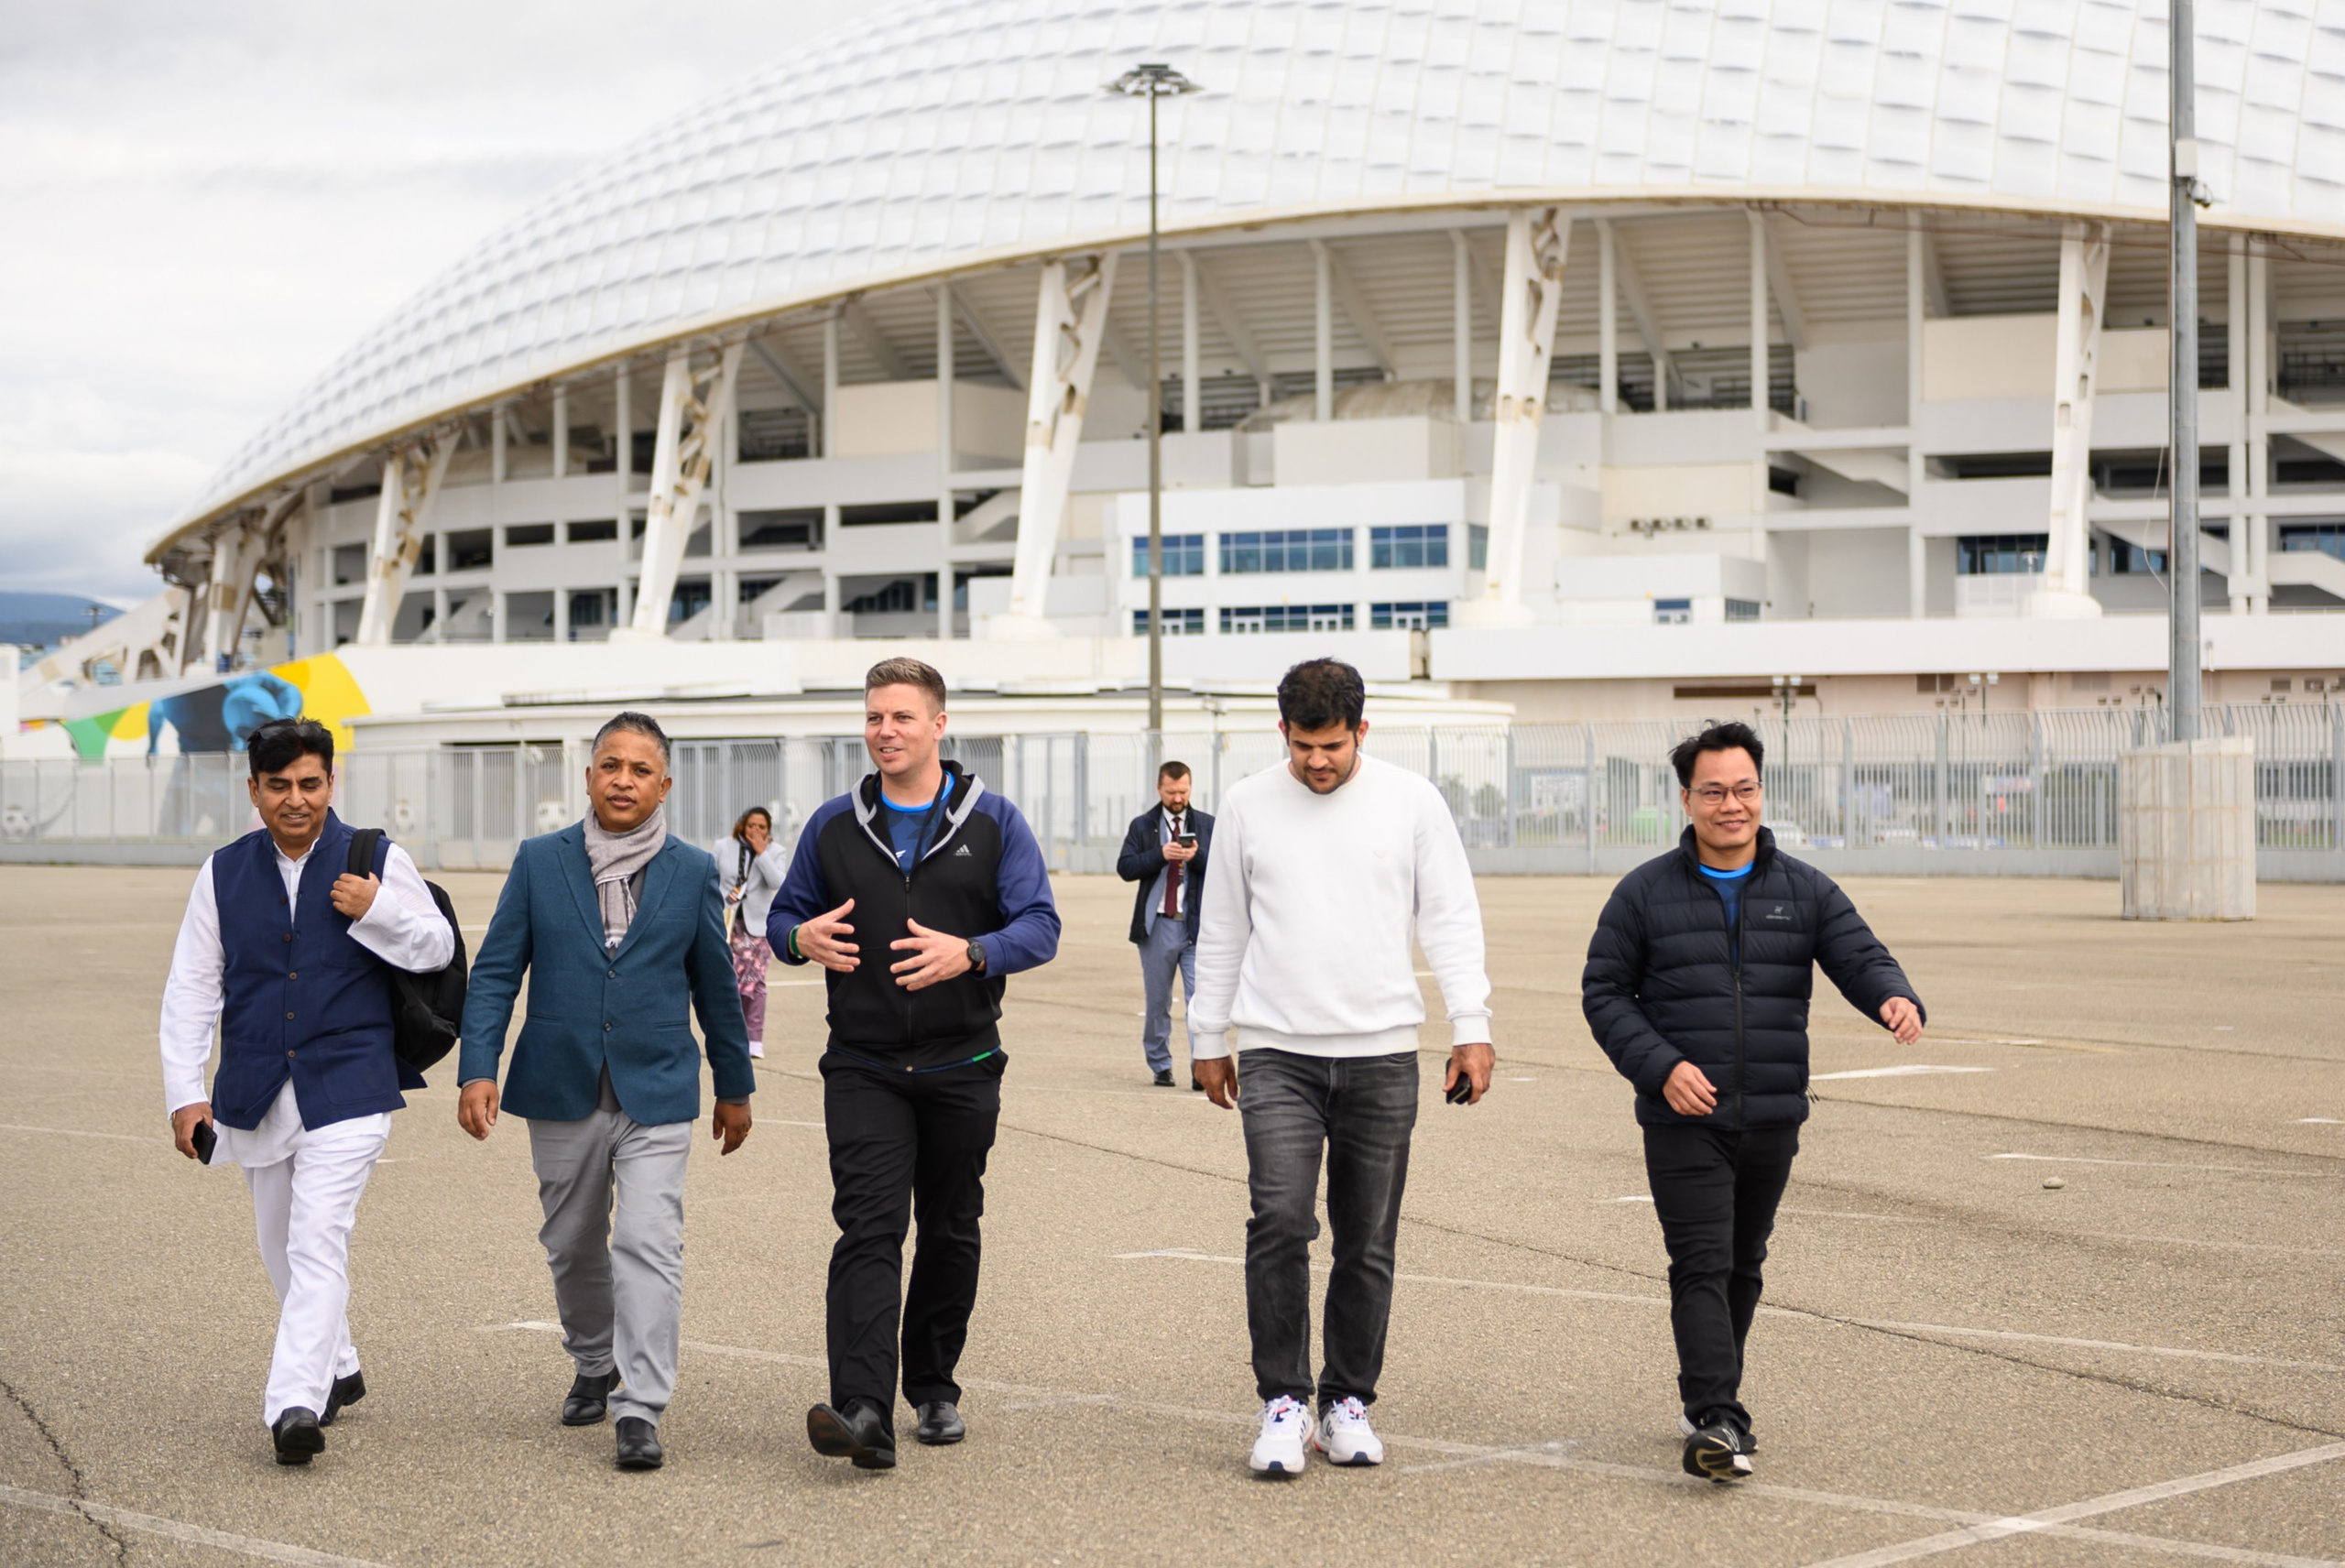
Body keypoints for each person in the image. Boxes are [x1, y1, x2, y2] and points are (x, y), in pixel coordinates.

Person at [1581, 721, 1925, 1484]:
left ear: (1761, 793)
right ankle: (1718, 1415)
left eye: (1743, 789)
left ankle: (1707, 1401)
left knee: (1743, 1262)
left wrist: (1893, 996)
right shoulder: (1644, 893)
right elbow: (1603, 993)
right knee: (1700, 1261)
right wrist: (1661, 1068)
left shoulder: (1803, 889)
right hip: (1683, 1116)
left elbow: (1859, 955)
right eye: (1714, 792)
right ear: (1687, 799)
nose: (1730, 805)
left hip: (1771, 1113)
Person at [1189, 659, 1495, 1478]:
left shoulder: (1412, 801)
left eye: (1331, 745)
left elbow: (1451, 918)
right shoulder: (1248, 804)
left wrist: (1471, 1025)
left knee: (1367, 1238)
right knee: (1280, 1222)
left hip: (1383, 1054)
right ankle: (1283, 1402)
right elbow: (1222, 927)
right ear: (1281, 732)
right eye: (1301, 745)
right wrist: (1207, 1034)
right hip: (1278, 1052)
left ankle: (1347, 1400)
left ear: (1362, 730)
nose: (1316, 761)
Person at [767, 658, 1060, 1471]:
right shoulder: (833, 824)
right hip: (862, 1064)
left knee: (950, 1226)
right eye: (874, 717)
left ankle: (933, 1386)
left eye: (901, 717)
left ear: (938, 725)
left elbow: (1040, 925)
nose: (885, 731)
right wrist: (799, 938)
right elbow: (781, 918)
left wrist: (973, 952)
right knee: (869, 1226)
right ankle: (863, 1408)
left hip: (963, 1060)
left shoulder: (994, 821)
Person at [456, 711, 755, 1473]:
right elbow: (496, 973)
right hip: (560, 1083)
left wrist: (734, 1085)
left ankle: (641, 1407)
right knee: (572, 1241)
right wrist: (478, 1066)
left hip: (657, 1085)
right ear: (589, 777)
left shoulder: (692, 870)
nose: (624, 780)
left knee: (648, 1242)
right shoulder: (539, 860)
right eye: (611, 766)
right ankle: (595, 1359)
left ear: (665, 785)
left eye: (640, 770)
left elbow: (716, 986)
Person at [158, 717, 453, 1465]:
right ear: (253, 790)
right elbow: (192, 987)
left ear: (331, 782)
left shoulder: (376, 858)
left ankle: (294, 1403)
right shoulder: (222, 872)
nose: (296, 799)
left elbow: (438, 947)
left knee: (317, 1237)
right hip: (257, 1088)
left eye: (310, 783)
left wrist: (379, 909)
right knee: (279, 1248)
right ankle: (340, 1367)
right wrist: (184, 1092)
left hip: (352, 1082)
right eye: (279, 785)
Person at [1115, 760, 1213, 1088]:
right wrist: (1161, 854)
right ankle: (1160, 1064)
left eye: (1183, 791)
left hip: (1196, 927)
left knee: (1199, 1001)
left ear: (1191, 787)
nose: (1178, 798)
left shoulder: (1208, 825)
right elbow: (1126, 867)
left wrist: (1196, 857)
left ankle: (1201, 1067)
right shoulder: (1143, 826)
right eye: (1171, 792)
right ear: (1159, 789)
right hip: (1158, 926)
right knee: (1158, 1002)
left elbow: (1225, 868)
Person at [720, 806, 788, 1059]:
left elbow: (778, 883)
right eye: (751, 826)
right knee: (728, 982)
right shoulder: (723, 847)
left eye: (761, 827)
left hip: (758, 928)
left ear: (768, 830)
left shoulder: (776, 851)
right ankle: (730, 1037)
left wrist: (762, 853)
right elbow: (712, 880)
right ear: (742, 825)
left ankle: (754, 1038)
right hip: (728, 926)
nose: (755, 831)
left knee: (755, 982)